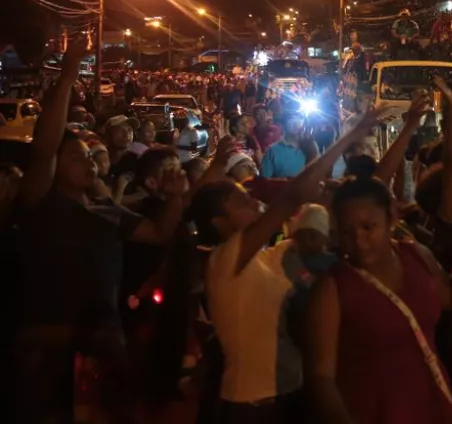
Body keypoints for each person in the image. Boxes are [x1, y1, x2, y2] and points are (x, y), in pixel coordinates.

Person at [12, 41, 188, 423]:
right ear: (54, 168)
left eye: (91, 156)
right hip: (48, 348)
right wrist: (71, 70)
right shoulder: (43, 205)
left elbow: (158, 234)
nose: (89, 162)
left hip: (105, 345)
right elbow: (44, 147)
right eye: (76, 157)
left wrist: (176, 198)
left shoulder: (107, 211)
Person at [190, 109, 378, 423]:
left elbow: (311, 227)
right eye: (239, 202)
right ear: (218, 223)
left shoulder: (269, 257)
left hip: (288, 400)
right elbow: (293, 195)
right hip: (252, 408)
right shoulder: (223, 260)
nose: (251, 202)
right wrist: (347, 139)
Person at [306, 176, 452, 424]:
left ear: (391, 218)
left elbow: (450, 298)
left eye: (369, 227)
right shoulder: (332, 288)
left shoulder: (417, 256)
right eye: (347, 232)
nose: (358, 240)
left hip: (433, 407)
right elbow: (321, 378)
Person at [261, 111, 312, 179]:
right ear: (283, 126)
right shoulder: (273, 151)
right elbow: (263, 182)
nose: (296, 122)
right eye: (291, 118)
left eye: (299, 118)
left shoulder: (308, 148)